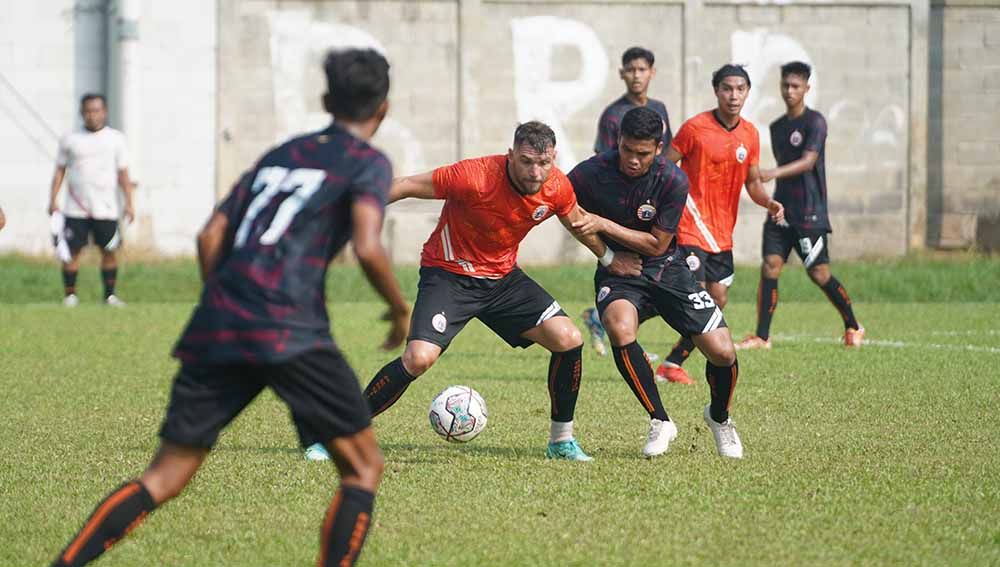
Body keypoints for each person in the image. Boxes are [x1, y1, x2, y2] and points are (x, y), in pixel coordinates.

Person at [50, 48, 410, 567]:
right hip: (291, 328)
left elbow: (209, 234)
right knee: (362, 469)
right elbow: (370, 246)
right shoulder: (368, 162)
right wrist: (399, 309)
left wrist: (224, 298)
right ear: (384, 109)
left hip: (220, 323)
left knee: (165, 476)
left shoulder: (283, 152)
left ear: (327, 101)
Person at [361, 121, 641, 462]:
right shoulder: (473, 176)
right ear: (510, 156)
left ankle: (561, 442)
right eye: (526, 161)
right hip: (449, 276)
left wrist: (609, 257)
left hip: (503, 280)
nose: (536, 172)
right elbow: (405, 186)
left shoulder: (556, 187)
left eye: (544, 162)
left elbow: (578, 222)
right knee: (418, 358)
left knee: (568, 338)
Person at [569, 106, 744, 459]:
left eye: (643, 153)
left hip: (669, 270)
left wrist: (603, 224)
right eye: (628, 150)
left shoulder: (672, 179)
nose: (634, 160)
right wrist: (606, 257)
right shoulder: (591, 173)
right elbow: (567, 209)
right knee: (619, 327)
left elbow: (657, 244)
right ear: (619, 141)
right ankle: (660, 420)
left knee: (723, 352)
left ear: (658, 147)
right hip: (621, 274)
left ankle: (720, 418)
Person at [654, 64, 784, 385]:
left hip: (722, 234)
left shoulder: (750, 134)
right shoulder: (695, 129)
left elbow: (752, 183)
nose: (734, 95)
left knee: (717, 300)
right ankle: (643, 343)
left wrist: (768, 202)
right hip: (689, 225)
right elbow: (661, 167)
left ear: (748, 92)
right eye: (727, 88)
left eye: (740, 89)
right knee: (696, 296)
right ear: (716, 90)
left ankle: (671, 361)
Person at [736, 61, 864, 350]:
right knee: (770, 266)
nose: (789, 91)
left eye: (795, 86)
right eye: (785, 85)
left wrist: (771, 173)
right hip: (782, 210)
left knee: (819, 273)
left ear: (807, 88)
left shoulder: (815, 122)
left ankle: (853, 326)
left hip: (810, 212)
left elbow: (808, 162)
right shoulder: (778, 127)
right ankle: (762, 336)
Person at [48, 93, 135, 307]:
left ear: (104, 112)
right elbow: (60, 171)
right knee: (72, 251)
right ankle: (70, 295)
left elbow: (124, 174)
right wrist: (53, 199)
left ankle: (109, 296)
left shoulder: (116, 139)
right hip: (75, 208)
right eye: (88, 111)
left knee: (109, 251)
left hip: (106, 208)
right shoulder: (71, 139)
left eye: (96, 110)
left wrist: (130, 203)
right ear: (81, 113)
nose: (92, 115)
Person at [593, 46, 673, 154]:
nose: (636, 76)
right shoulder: (612, 115)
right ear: (622, 73)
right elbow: (603, 159)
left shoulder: (659, 108)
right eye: (630, 70)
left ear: (652, 72)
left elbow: (667, 150)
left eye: (642, 69)